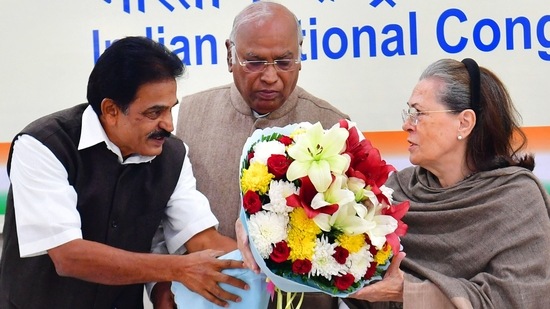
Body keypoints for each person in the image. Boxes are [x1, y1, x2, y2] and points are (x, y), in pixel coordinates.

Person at [0, 36, 250, 309]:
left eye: (170, 109)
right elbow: (69, 256)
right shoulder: (43, 146)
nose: (168, 124)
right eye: (154, 112)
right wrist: (177, 269)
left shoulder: (173, 156)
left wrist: (267, 263)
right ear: (111, 110)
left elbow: (202, 240)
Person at [175, 1, 349, 308]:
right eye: (254, 62)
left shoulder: (333, 127)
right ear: (230, 54)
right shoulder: (185, 116)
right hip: (205, 300)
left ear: (300, 55)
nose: (270, 77)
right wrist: (162, 283)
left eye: (284, 62)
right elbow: (158, 211)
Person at [340, 58, 550, 308]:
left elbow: (519, 298)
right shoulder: (397, 190)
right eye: (409, 113)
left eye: (418, 113)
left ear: (464, 122)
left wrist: (410, 292)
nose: (407, 125)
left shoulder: (516, 200)